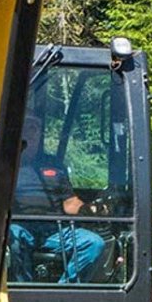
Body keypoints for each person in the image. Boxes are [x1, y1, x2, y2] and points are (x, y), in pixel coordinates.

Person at [8, 114, 105, 283]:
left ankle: (64, 289)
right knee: (13, 237)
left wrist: (91, 208)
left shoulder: (53, 164)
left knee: (93, 243)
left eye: (35, 128)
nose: (31, 133)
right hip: (20, 225)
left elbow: (69, 202)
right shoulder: (7, 163)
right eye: (27, 127)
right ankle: (24, 291)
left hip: (54, 228)